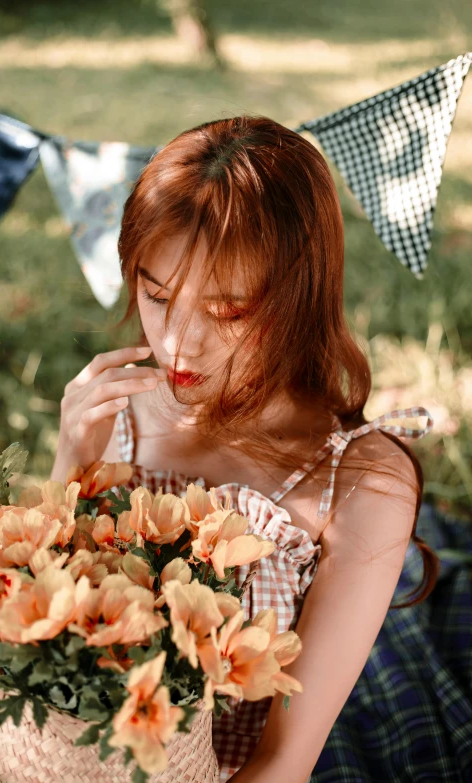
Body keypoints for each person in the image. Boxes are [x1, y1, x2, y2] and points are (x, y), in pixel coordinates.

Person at [52, 115, 445, 782]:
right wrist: (69, 465)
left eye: (228, 312)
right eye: (157, 295)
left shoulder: (358, 479)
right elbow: (46, 624)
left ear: (299, 297)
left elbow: (284, 759)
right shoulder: (117, 407)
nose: (179, 344)